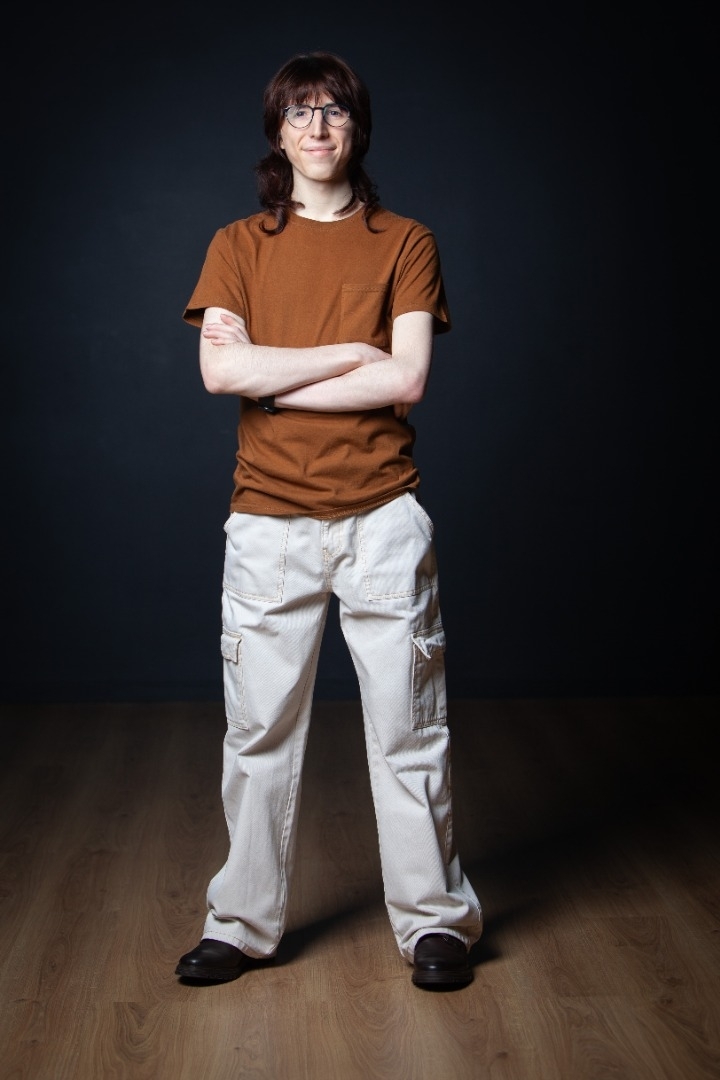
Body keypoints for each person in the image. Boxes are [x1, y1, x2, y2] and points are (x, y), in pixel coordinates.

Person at [175, 50, 482, 989]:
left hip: (383, 516)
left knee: (408, 729)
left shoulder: (406, 241)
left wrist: (275, 372)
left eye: (334, 111)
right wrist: (352, 352)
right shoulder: (236, 245)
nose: (317, 127)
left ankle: (435, 923)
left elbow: (408, 378)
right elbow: (221, 372)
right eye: (300, 112)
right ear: (278, 132)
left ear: (357, 128)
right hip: (267, 522)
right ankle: (242, 925)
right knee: (257, 735)